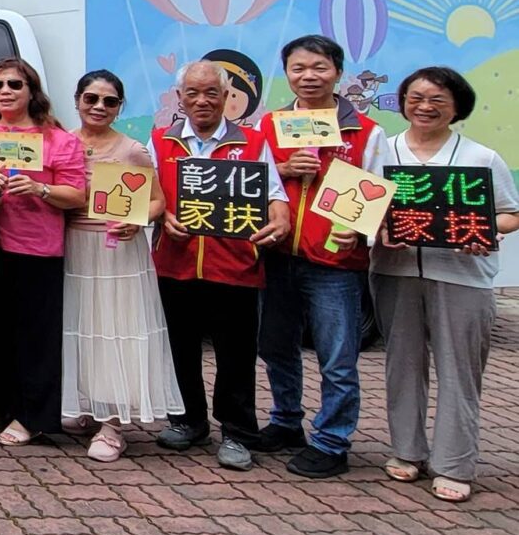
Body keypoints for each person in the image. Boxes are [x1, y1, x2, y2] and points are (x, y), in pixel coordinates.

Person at [372, 67, 518, 502]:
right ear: (402, 102)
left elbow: (512, 213)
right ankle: (406, 451)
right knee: (402, 364)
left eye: (437, 99)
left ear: (457, 106)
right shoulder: (382, 153)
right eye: (415, 97)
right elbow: (358, 207)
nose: (425, 106)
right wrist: (377, 229)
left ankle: (454, 462)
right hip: (394, 273)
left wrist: (482, 231)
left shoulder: (481, 157)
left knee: (459, 369)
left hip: (462, 277)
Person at [149, 61, 290, 471]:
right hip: (175, 264)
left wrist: (280, 218)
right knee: (179, 349)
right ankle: (188, 421)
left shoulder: (252, 141)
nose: (202, 100)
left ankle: (238, 432)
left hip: (235, 265)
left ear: (227, 97)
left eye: (212, 92)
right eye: (192, 92)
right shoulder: (162, 141)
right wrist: (162, 218)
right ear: (180, 98)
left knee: (236, 354)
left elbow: (274, 193)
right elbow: (152, 196)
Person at [258, 35, 388, 478]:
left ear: (338, 71)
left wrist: (360, 229)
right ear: (287, 73)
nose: (308, 76)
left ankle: (333, 441)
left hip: (334, 263)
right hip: (276, 254)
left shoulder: (366, 131)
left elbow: (378, 192)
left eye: (318, 67)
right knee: (276, 347)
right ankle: (285, 421)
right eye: (297, 68)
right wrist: (283, 168)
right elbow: (250, 183)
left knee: (337, 356)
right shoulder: (269, 125)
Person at [62, 70, 183, 462]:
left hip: (115, 251)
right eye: (91, 98)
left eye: (109, 101)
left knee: (115, 329)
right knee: (81, 329)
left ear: (119, 107)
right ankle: (87, 406)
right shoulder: (63, 143)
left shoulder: (132, 149)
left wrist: (136, 220)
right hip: (71, 247)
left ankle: (113, 423)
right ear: (77, 100)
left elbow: (157, 202)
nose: (98, 107)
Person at [0, 57, 87, 447]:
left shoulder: (58, 139)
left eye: (15, 85)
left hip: (39, 251)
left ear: (31, 91)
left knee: (36, 337)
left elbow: (77, 194)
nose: (5, 92)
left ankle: (33, 415)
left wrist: (40, 190)